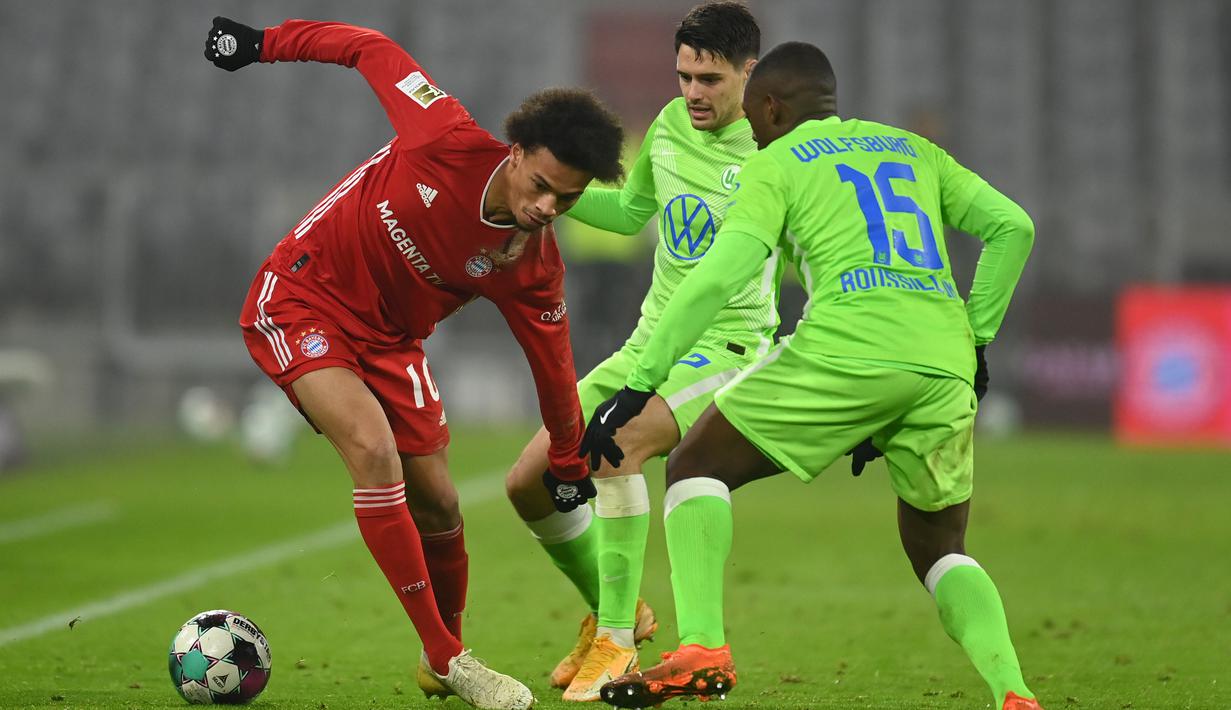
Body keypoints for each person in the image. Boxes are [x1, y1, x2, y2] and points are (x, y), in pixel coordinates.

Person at [581, 41, 1042, 710]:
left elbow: (716, 278)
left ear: (770, 107)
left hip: (846, 346)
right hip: (941, 363)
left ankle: (702, 645)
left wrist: (639, 383)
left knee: (694, 466)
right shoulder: (911, 149)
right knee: (940, 549)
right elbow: (1012, 227)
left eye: (754, 115)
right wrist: (976, 340)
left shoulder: (776, 163)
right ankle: (1013, 693)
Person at [204, 16, 623, 710]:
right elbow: (370, 48)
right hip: (304, 297)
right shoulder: (443, 135)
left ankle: (440, 660)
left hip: (393, 344)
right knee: (373, 452)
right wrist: (259, 45)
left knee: (441, 503)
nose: (549, 207)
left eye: (569, 199)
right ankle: (448, 655)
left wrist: (572, 466)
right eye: (543, 185)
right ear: (515, 153)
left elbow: (552, 367)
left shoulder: (530, 266)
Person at [502, 2, 779, 702]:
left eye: (710, 79)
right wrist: (549, 195)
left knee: (614, 447)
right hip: (647, 343)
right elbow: (630, 212)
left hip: (726, 347)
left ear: (750, 72)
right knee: (529, 480)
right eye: (683, 75)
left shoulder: (777, 150)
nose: (693, 93)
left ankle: (617, 645)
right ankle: (615, 610)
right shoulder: (667, 125)